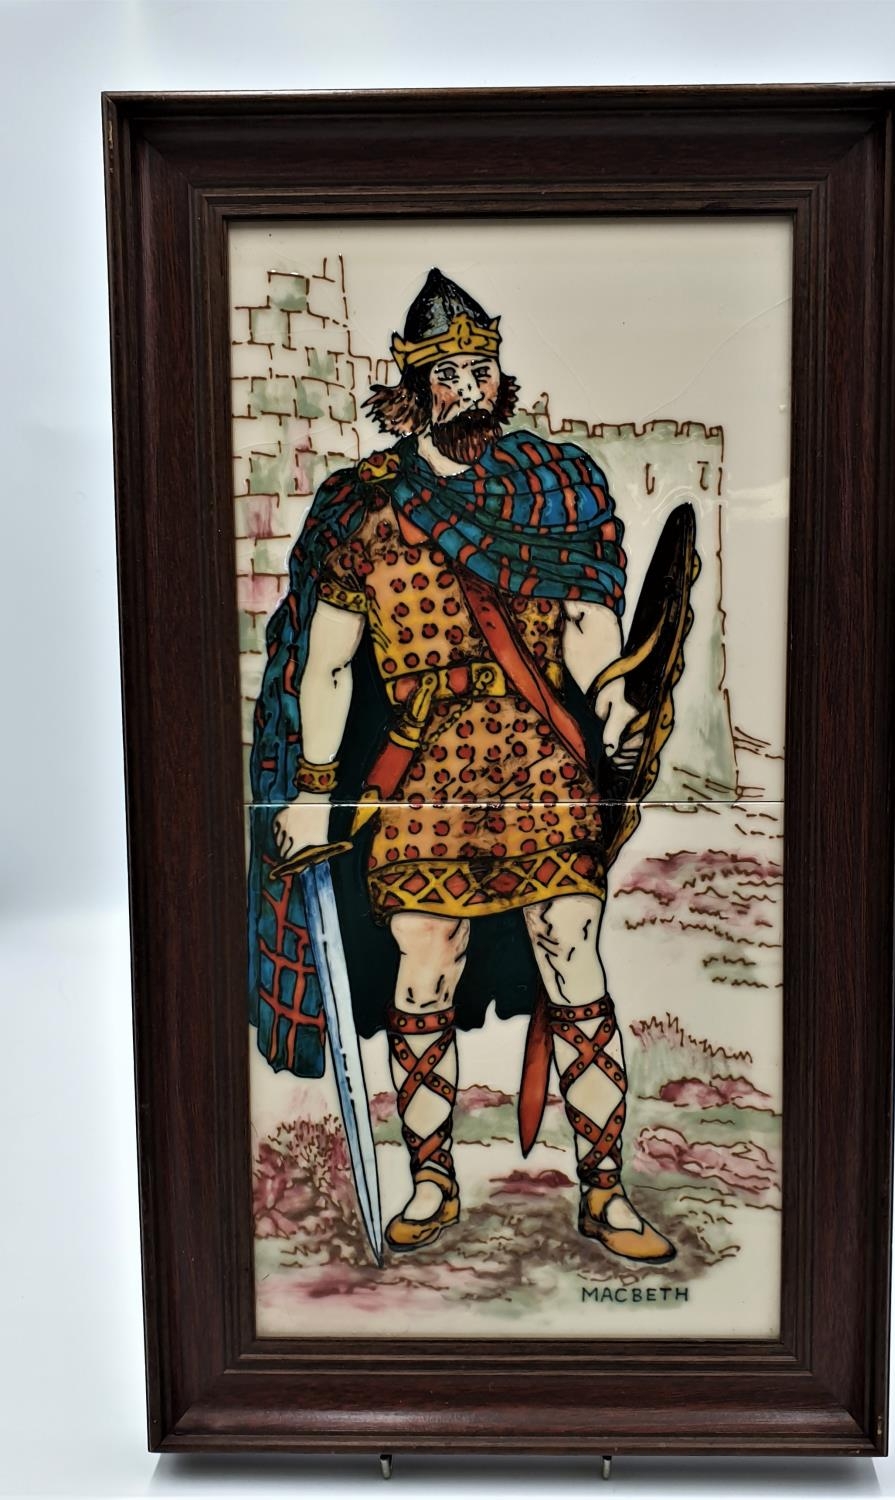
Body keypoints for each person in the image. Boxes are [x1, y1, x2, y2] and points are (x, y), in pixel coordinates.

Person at [249, 268, 676, 1263]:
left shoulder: (550, 486)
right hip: (421, 773)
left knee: (572, 950)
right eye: (449, 374)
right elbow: (329, 666)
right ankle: (434, 1180)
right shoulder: (365, 507)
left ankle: (604, 1190)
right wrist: (315, 794)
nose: (471, 389)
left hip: (538, 763)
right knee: (427, 960)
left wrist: (613, 696)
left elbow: (585, 625)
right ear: (413, 387)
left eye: (482, 369)